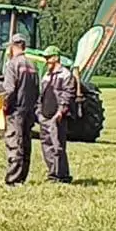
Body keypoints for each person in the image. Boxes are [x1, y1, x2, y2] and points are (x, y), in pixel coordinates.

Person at [2, 33, 39, 186]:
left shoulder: (13, 64)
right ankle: (23, 176)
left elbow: (9, 89)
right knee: (26, 142)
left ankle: (13, 178)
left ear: (13, 46)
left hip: (16, 110)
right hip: (29, 110)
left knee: (14, 142)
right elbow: (37, 89)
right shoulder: (32, 65)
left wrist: (5, 105)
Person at [39, 45, 76, 184]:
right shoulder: (46, 76)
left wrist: (61, 112)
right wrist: (39, 112)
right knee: (46, 146)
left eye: (48, 58)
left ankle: (62, 175)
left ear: (56, 58)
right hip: (45, 116)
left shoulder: (65, 75)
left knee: (57, 147)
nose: (46, 61)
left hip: (57, 117)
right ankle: (52, 174)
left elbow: (68, 95)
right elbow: (41, 95)